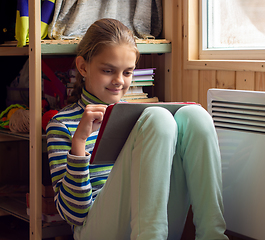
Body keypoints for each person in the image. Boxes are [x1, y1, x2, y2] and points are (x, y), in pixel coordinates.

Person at [46, 18, 228, 240]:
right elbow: (74, 215)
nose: (119, 81)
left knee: (195, 115)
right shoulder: (61, 124)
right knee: (157, 116)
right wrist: (79, 143)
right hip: (94, 229)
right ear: (83, 67)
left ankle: (213, 236)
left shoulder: (138, 119)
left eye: (127, 72)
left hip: (146, 222)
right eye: (108, 70)